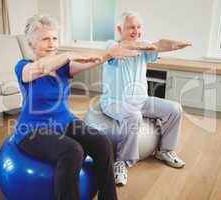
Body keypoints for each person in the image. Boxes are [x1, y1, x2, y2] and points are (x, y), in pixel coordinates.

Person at [13, 13, 141, 200]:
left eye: (55, 38)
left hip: (65, 121)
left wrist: (109, 54)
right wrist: (68, 54)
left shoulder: (64, 67)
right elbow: (42, 68)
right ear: (31, 43)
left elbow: (92, 61)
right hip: (32, 130)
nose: (52, 44)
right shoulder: (23, 67)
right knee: (73, 151)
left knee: (102, 142)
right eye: (45, 39)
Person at [99, 12, 192, 186]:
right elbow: (114, 51)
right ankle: (121, 162)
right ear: (120, 29)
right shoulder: (111, 44)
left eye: (139, 27)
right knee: (134, 116)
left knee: (175, 109)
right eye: (131, 27)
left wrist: (177, 44)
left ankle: (165, 151)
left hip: (141, 100)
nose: (136, 30)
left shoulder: (144, 48)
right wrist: (140, 45)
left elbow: (159, 45)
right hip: (114, 102)